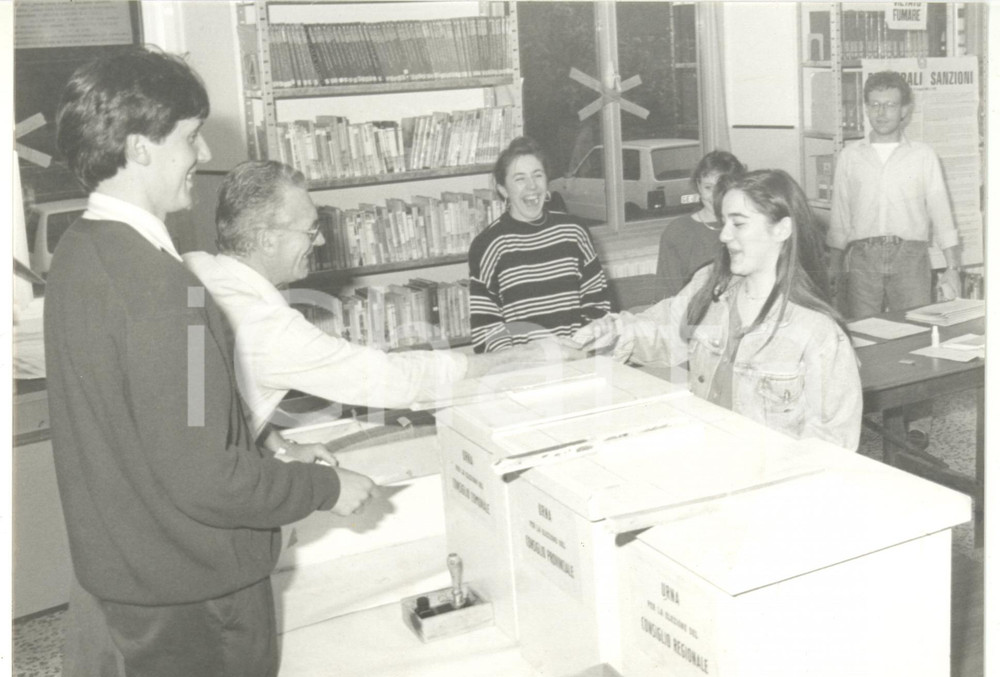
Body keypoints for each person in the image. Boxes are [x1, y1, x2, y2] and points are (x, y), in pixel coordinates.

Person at [46, 47, 373, 677]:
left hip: (130, 584)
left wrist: (274, 454)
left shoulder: (78, 254)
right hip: (198, 597)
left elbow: (161, 432)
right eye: (189, 136)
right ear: (140, 147)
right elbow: (208, 478)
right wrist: (327, 487)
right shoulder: (175, 294)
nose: (201, 153)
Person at [183, 159, 583, 451]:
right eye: (311, 231)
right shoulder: (272, 330)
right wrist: (521, 357)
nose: (320, 243)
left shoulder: (192, 267)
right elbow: (392, 379)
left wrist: (281, 448)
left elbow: (220, 397)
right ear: (267, 238)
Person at [575, 169, 862, 450]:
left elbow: (830, 446)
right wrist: (610, 332)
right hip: (706, 457)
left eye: (738, 224)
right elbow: (662, 331)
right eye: (723, 222)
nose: (723, 235)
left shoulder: (819, 332)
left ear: (782, 229)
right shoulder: (711, 288)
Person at [827, 70, 961, 319]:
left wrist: (952, 268)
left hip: (910, 257)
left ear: (904, 110)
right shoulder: (850, 156)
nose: (881, 112)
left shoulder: (923, 156)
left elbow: (941, 214)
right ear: (866, 108)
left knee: (914, 329)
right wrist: (834, 266)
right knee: (862, 333)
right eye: (875, 105)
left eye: (890, 105)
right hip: (862, 260)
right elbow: (840, 217)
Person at [468, 136, 612, 353]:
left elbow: (598, 304)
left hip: (578, 357)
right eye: (519, 179)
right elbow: (485, 330)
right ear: (503, 190)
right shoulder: (487, 245)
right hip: (522, 367)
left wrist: (581, 345)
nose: (532, 186)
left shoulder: (574, 232)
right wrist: (524, 357)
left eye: (538, 175)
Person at [654, 149, 746, 298]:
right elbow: (667, 297)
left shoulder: (748, 227)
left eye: (723, 188)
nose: (715, 196)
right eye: (708, 187)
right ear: (698, 186)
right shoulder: (678, 232)